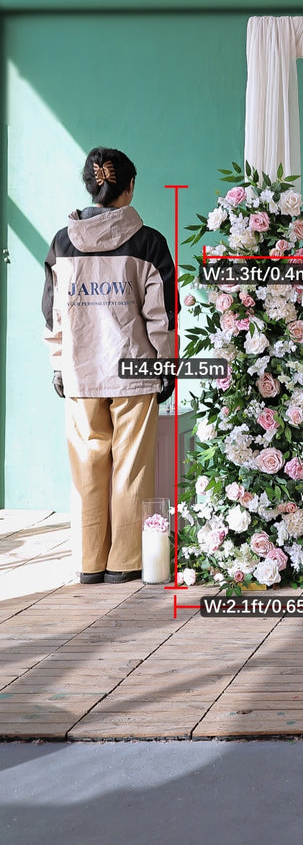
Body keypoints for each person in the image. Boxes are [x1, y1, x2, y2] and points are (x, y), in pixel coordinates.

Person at [42, 148, 176, 584]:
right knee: (131, 469)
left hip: (81, 371)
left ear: (90, 187)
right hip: (134, 373)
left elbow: (53, 314)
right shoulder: (149, 243)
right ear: (130, 187)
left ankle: (89, 564)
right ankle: (125, 564)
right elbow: (162, 317)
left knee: (87, 469)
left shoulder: (61, 244)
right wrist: (166, 368)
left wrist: (59, 363)